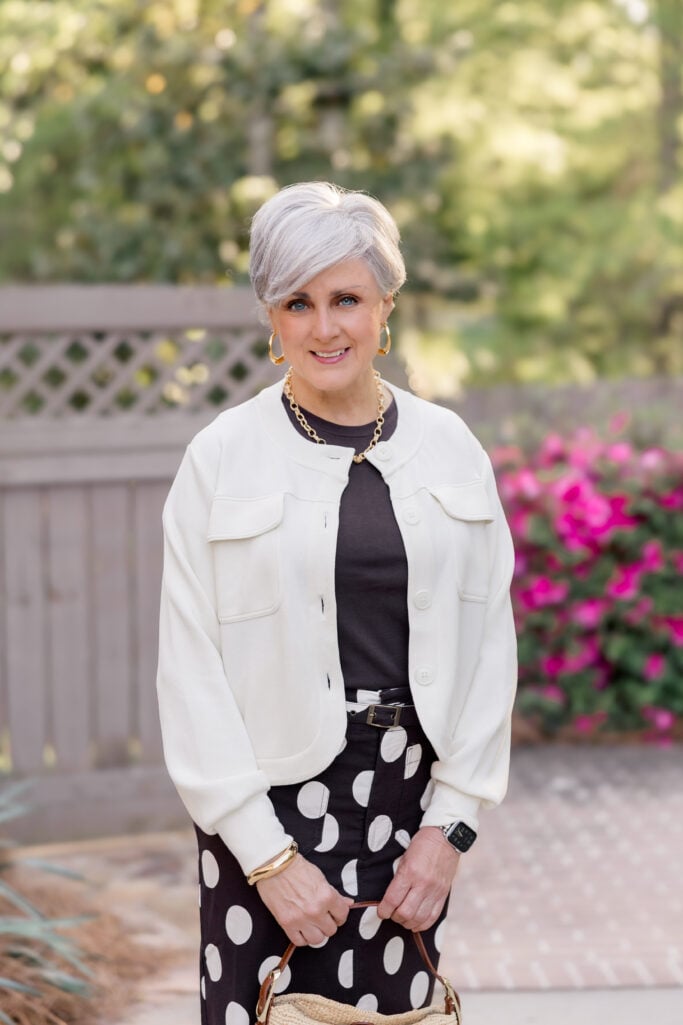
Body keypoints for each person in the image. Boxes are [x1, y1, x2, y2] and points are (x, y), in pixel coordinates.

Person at [156, 181, 517, 1025]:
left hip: (409, 815)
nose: (325, 327)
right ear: (271, 320)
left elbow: (490, 647)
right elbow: (190, 671)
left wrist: (450, 829)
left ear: (384, 306)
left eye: (346, 298)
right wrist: (266, 856)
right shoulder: (220, 459)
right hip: (263, 814)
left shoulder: (449, 449)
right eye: (298, 302)